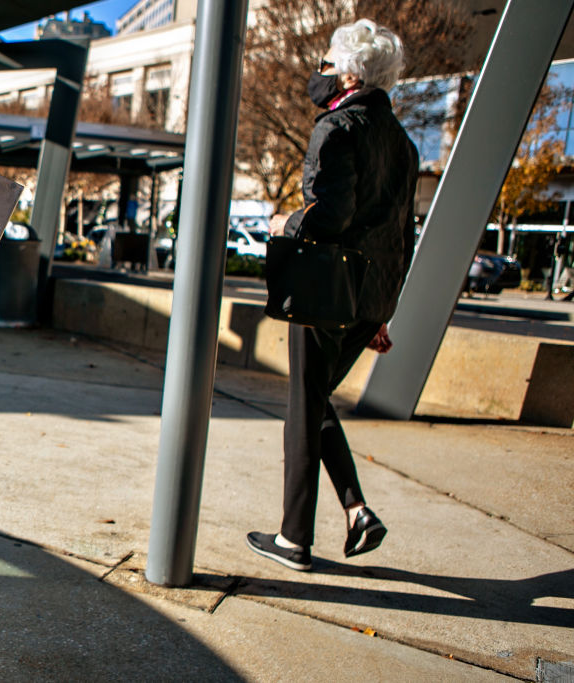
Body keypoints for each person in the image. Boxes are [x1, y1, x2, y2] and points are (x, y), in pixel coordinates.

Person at [246, 19, 419, 571]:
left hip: (327, 290)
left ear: (348, 73)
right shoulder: (404, 144)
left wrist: (284, 224)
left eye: (325, 64)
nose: (317, 73)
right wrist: (380, 311)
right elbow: (398, 234)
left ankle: (294, 539)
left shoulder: (337, 128)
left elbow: (330, 215)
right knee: (316, 398)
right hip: (370, 299)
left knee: (304, 407)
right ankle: (356, 509)